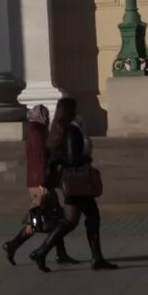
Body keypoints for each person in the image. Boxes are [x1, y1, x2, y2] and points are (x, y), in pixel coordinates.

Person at [36, 95, 116, 271]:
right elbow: (73, 158)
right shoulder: (72, 130)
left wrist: (47, 181)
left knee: (70, 221)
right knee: (91, 217)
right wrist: (86, 157)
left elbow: (53, 159)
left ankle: (42, 252)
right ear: (71, 111)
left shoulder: (57, 130)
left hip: (70, 182)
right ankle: (96, 258)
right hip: (77, 181)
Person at [2, 104, 70, 265]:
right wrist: (43, 183)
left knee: (51, 217)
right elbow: (40, 160)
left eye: (47, 115)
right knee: (44, 219)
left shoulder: (35, 131)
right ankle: (13, 245)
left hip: (37, 181)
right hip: (40, 183)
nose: (47, 118)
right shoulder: (38, 133)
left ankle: (60, 253)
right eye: (45, 115)